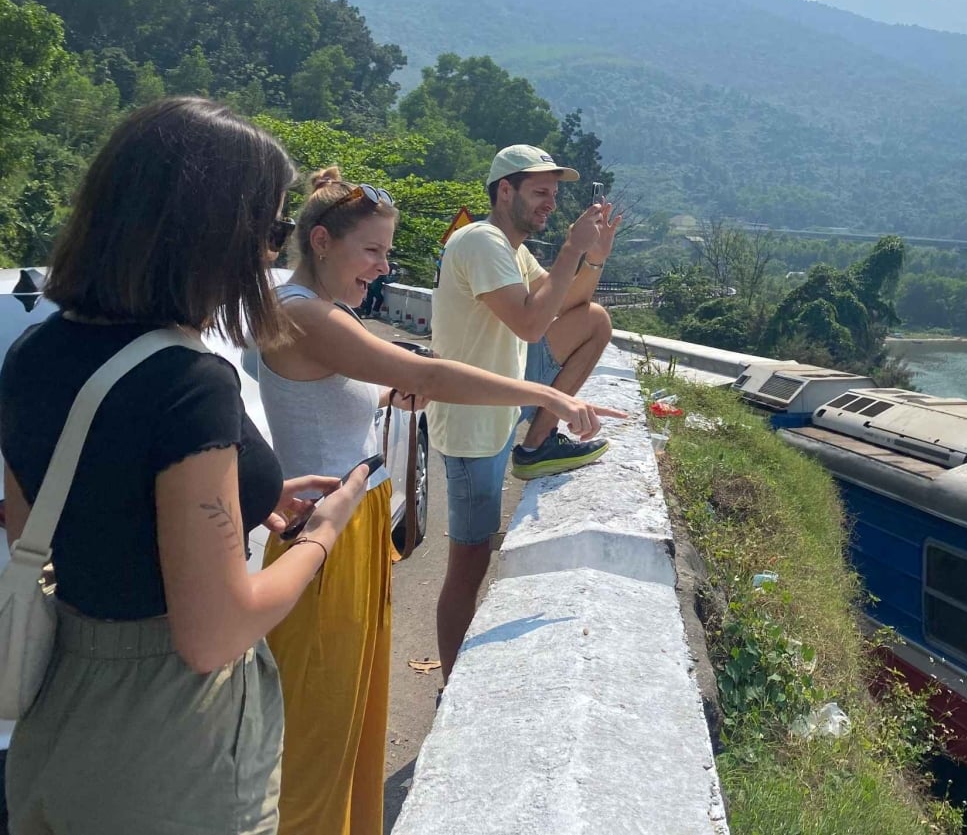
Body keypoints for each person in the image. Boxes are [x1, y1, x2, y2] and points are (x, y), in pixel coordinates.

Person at [0, 97, 368, 835]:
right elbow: (213, 633)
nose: (271, 253)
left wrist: (233, 497)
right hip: (170, 741)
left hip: (55, 712)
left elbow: (38, 525)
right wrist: (326, 535)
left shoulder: (32, 351)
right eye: (269, 230)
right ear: (209, 233)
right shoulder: (188, 379)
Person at [254, 167, 624, 834]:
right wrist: (547, 395)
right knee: (318, 733)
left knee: (355, 722)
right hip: (318, 543)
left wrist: (386, 392)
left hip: (354, 530)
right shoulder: (302, 313)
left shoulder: (326, 312)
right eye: (372, 251)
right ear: (321, 241)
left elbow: (365, 387)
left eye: (387, 252)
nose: (384, 266)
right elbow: (424, 369)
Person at [428, 143, 620, 681]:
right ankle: (451, 684)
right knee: (468, 566)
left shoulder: (511, 248)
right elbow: (533, 325)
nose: (550, 203)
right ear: (504, 191)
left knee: (596, 320)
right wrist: (568, 248)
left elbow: (567, 302)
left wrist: (594, 254)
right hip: (471, 424)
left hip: (498, 404)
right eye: (540, 192)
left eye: (554, 195)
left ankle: (536, 444)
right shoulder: (484, 241)